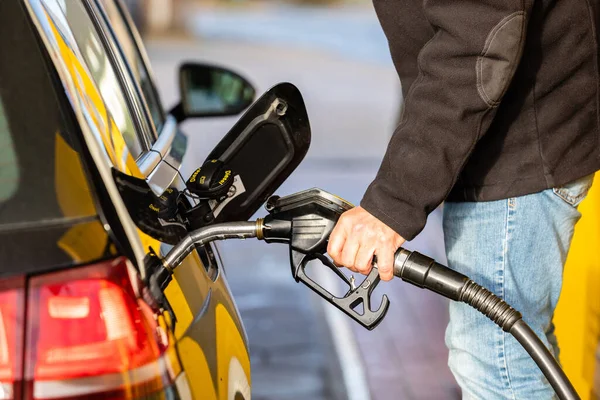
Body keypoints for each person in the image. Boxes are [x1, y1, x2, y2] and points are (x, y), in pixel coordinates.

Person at [327, 1, 599, 399]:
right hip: (517, 139)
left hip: (515, 150)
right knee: (513, 357)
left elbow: (479, 38)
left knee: (497, 367)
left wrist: (392, 202)